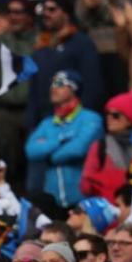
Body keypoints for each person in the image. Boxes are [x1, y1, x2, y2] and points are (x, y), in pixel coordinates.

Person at [25, 70, 103, 206]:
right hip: (53, 200)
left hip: (83, 199)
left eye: (60, 84)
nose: (53, 88)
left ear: (74, 89)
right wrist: (60, 140)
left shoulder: (91, 119)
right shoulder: (47, 123)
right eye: (52, 84)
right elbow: (31, 150)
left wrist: (49, 156)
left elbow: (78, 149)